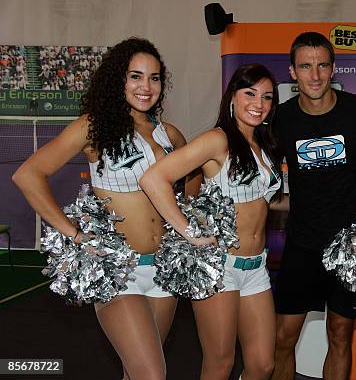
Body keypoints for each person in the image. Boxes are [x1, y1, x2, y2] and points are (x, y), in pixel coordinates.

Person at [12, 37, 196, 380]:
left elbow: (191, 185)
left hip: (163, 271)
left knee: (135, 372)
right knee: (152, 375)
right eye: (135, 76)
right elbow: (28, 175)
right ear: (118, 79)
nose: (146, 86)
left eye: (154, 77)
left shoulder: (171, 134)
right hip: (118, 272)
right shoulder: (95, 126)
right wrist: (75, 234)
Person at [140, 64, 286, 380]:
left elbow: (263, 201)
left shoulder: (265, 145)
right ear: (232, 96)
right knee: (220, 364)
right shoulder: (217, 140)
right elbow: (154, 178)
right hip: (220, 267)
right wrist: (188, 230)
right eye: (250, 93)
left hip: (256, 268)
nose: (258, 104)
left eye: (267, 97)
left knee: (263, 365)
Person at [272, 32, 356, 380]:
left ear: (332, 69)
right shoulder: (281, 118)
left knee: (340, 336)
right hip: (302, 244)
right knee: (283, 339)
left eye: (322, 65)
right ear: (292, 72)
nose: (314, 75)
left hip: (348, 247)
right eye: (305, 66)